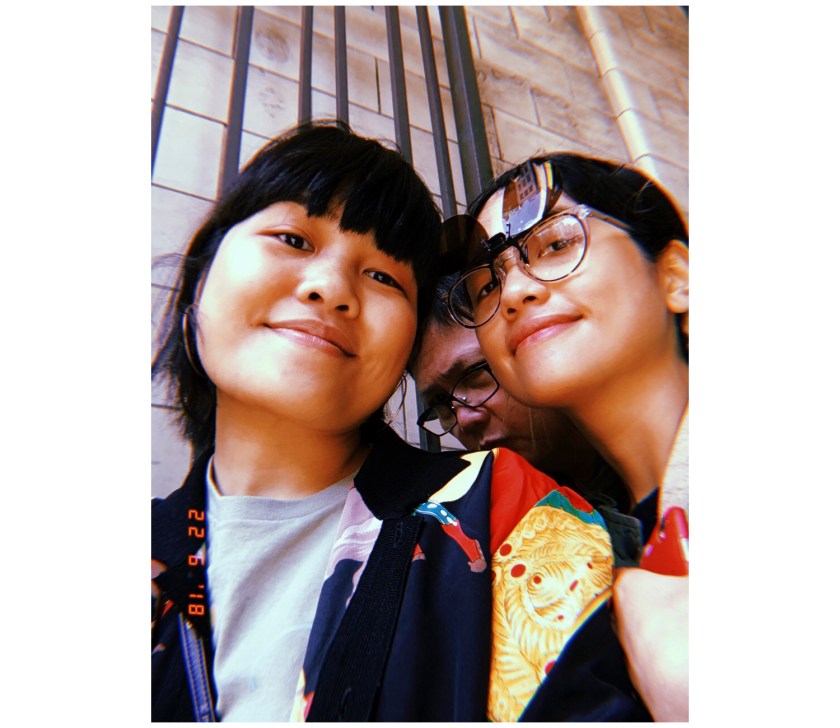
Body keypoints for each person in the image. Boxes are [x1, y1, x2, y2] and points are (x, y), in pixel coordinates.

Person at [151, 122, 651, 722]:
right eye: (292, 239)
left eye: (384, 277)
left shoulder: (502, 512)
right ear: (201, 277)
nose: (331, 288)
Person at [440, 154, 689, 720]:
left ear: (677, 278)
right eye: (487, 284)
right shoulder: (584, 548)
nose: (513, 292)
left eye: (555, 244)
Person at [409, 272, 630, 510]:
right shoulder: (496, 521)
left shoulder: (647, 476)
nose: (464, 419)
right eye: (440, 401)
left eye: (475, 374)